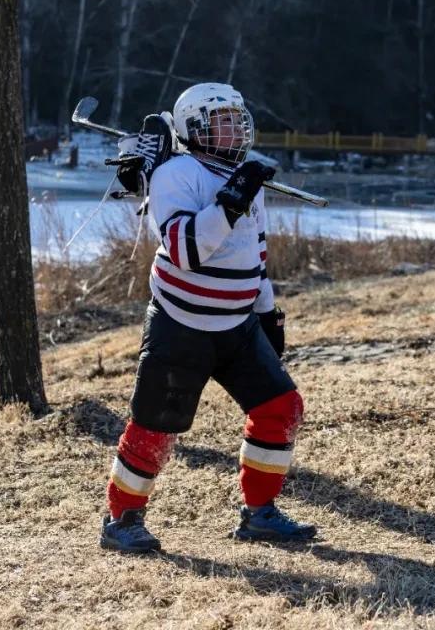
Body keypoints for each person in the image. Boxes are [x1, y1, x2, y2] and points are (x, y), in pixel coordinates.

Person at [101, 83, 315, 553]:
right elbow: (185, 250)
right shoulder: (177, 174)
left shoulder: (245, 176)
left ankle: (259, 514)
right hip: (182, 325)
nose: (236, 127)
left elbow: (254, 254)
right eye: (223, 120)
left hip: (236, 325)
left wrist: (266, 314)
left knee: (280, 409)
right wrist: (229, 203)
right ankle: (121, 520)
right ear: (194, 128)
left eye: (239, 118)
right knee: (155, 424)